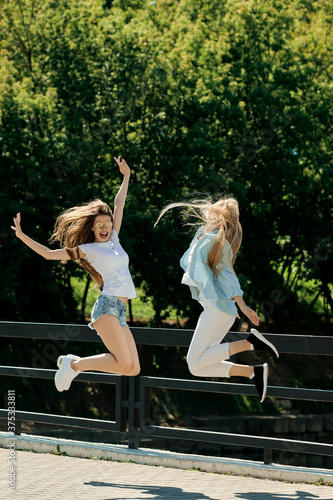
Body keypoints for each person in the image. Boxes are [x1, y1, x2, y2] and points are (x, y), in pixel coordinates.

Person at [11, 157, 140, 392]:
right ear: (92, 227)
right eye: (100, 224)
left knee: (132, 369)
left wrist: (126, 176)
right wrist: (22, 236)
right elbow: (50, 254)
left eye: (107, 224)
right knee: (123, 362)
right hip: (107, 307)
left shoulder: (114, 240)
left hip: (120, 309)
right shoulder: (88, 250)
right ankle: (74, 364)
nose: (105, 228)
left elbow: (119, 204)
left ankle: (74, 364)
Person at [155, 196, 278, 403]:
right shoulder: (205, 237)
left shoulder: (217, 242)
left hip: (217, 309)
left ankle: (250, 342)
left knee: (194, 361)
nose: (206, 218)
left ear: (219, 219)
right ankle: (252, 372)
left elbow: (226, 275)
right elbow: (187, 262)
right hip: (219, 309)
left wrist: (242, 304)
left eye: (211, 215)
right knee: (196, 366)